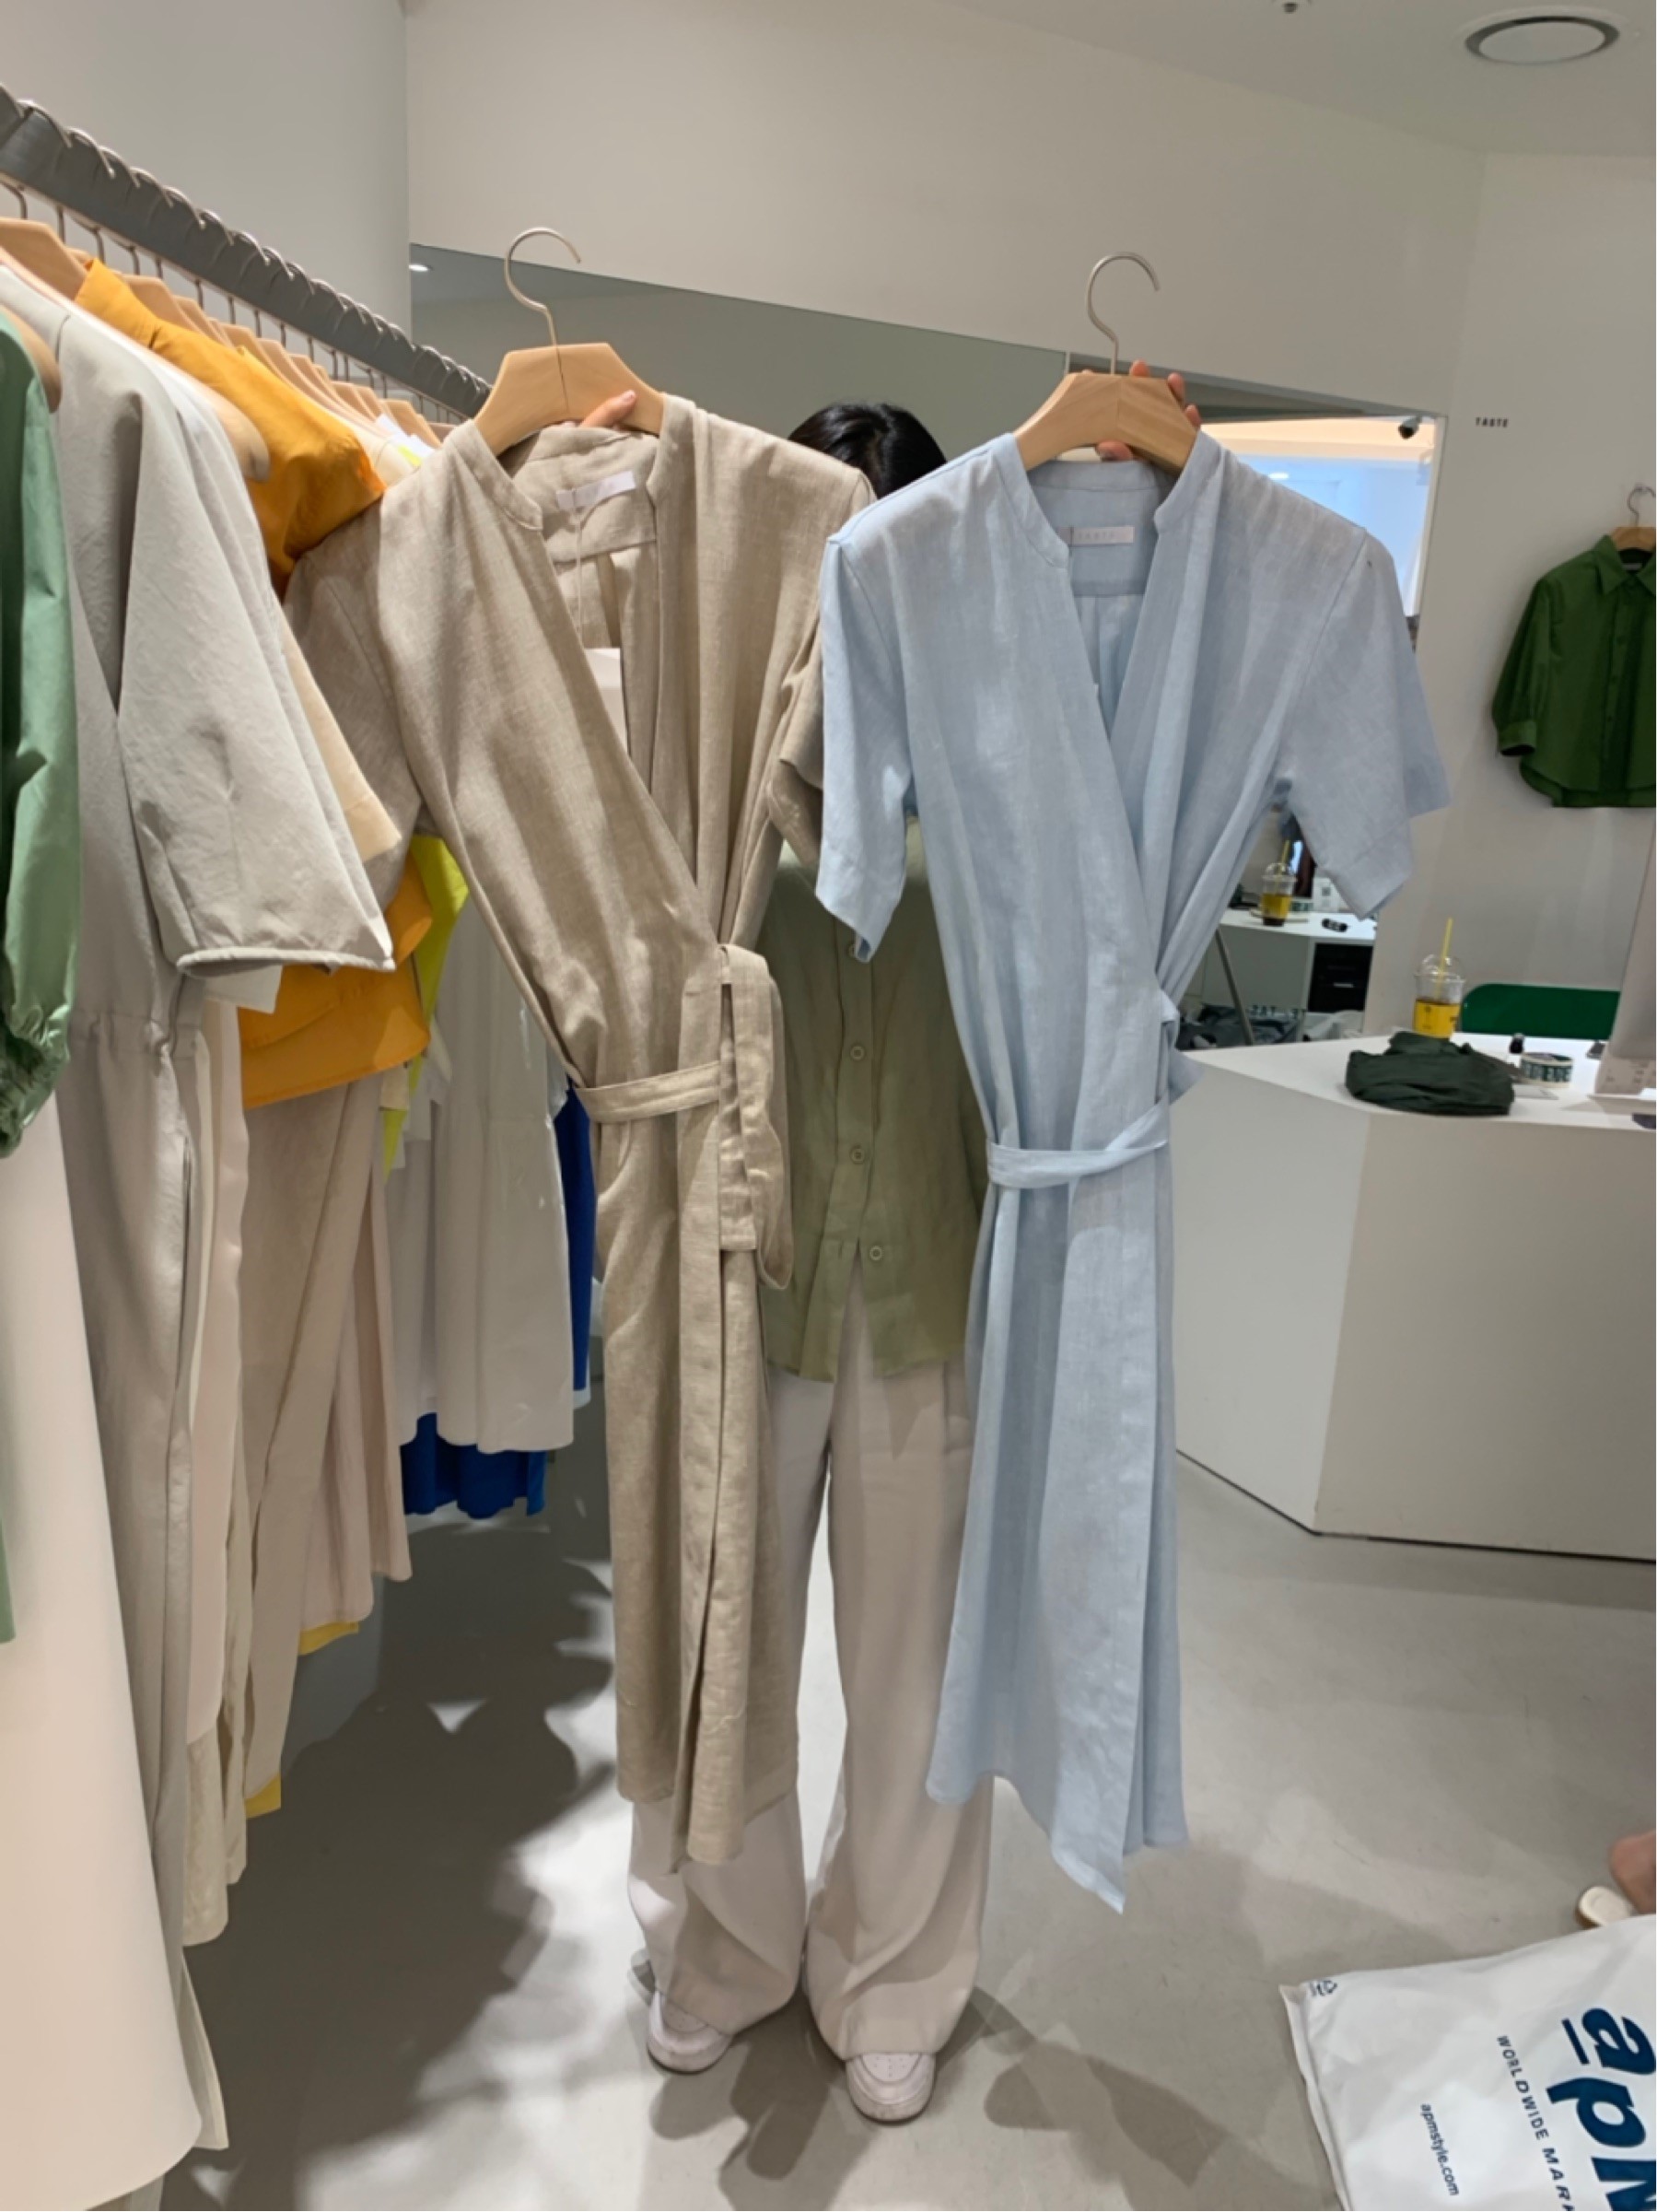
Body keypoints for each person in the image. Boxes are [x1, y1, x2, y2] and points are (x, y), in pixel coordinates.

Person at [622, 374, 1200, 2124]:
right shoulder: (728, 747)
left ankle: (894, 1966)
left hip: (937, 1259)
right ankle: (726, 1944)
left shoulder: (1010, 735)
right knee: (727, 1644)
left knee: (912, 1661)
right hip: (748, 1255)